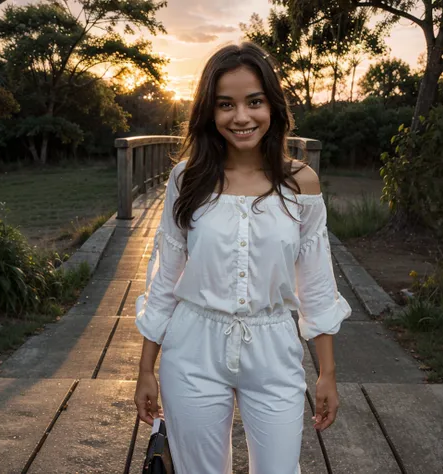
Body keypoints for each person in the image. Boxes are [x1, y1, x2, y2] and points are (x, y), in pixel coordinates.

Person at [133, 42, 351, 474]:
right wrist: (145, 369)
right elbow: (166, 276)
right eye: (225, 105)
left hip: (273, 347)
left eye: (254, 102)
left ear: (272, 104)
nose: (241, 117)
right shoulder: (188, 178)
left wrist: (327, 372)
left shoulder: (301, 183)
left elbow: (317, 284)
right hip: (193, 346)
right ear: (209, 113)